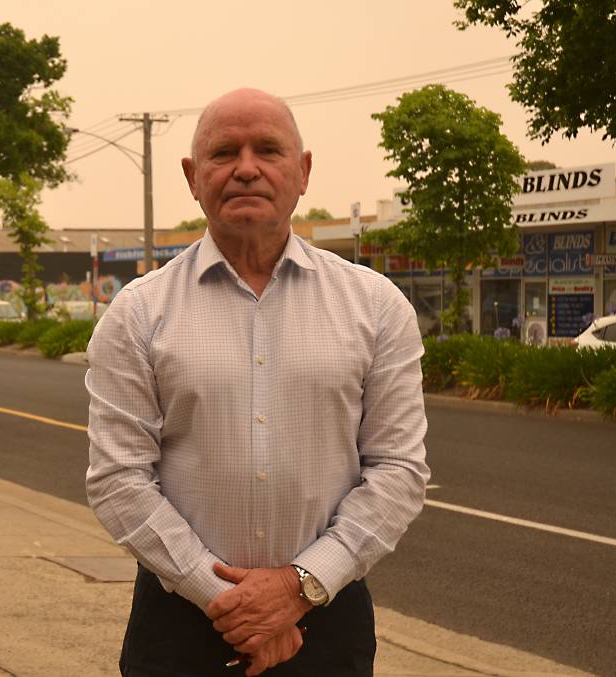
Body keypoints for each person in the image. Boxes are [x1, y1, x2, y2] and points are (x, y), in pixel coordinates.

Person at [85, 88, 429, 676]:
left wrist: (297, 589)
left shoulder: (375, 306)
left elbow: (399, 469)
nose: (247, 168)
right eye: (224, 153)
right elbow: (119, 479)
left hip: (328, 622)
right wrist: (227, 600)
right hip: (179, 628)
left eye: (268, 150)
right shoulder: (137, 313)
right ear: (194, 177)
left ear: (303, 171)